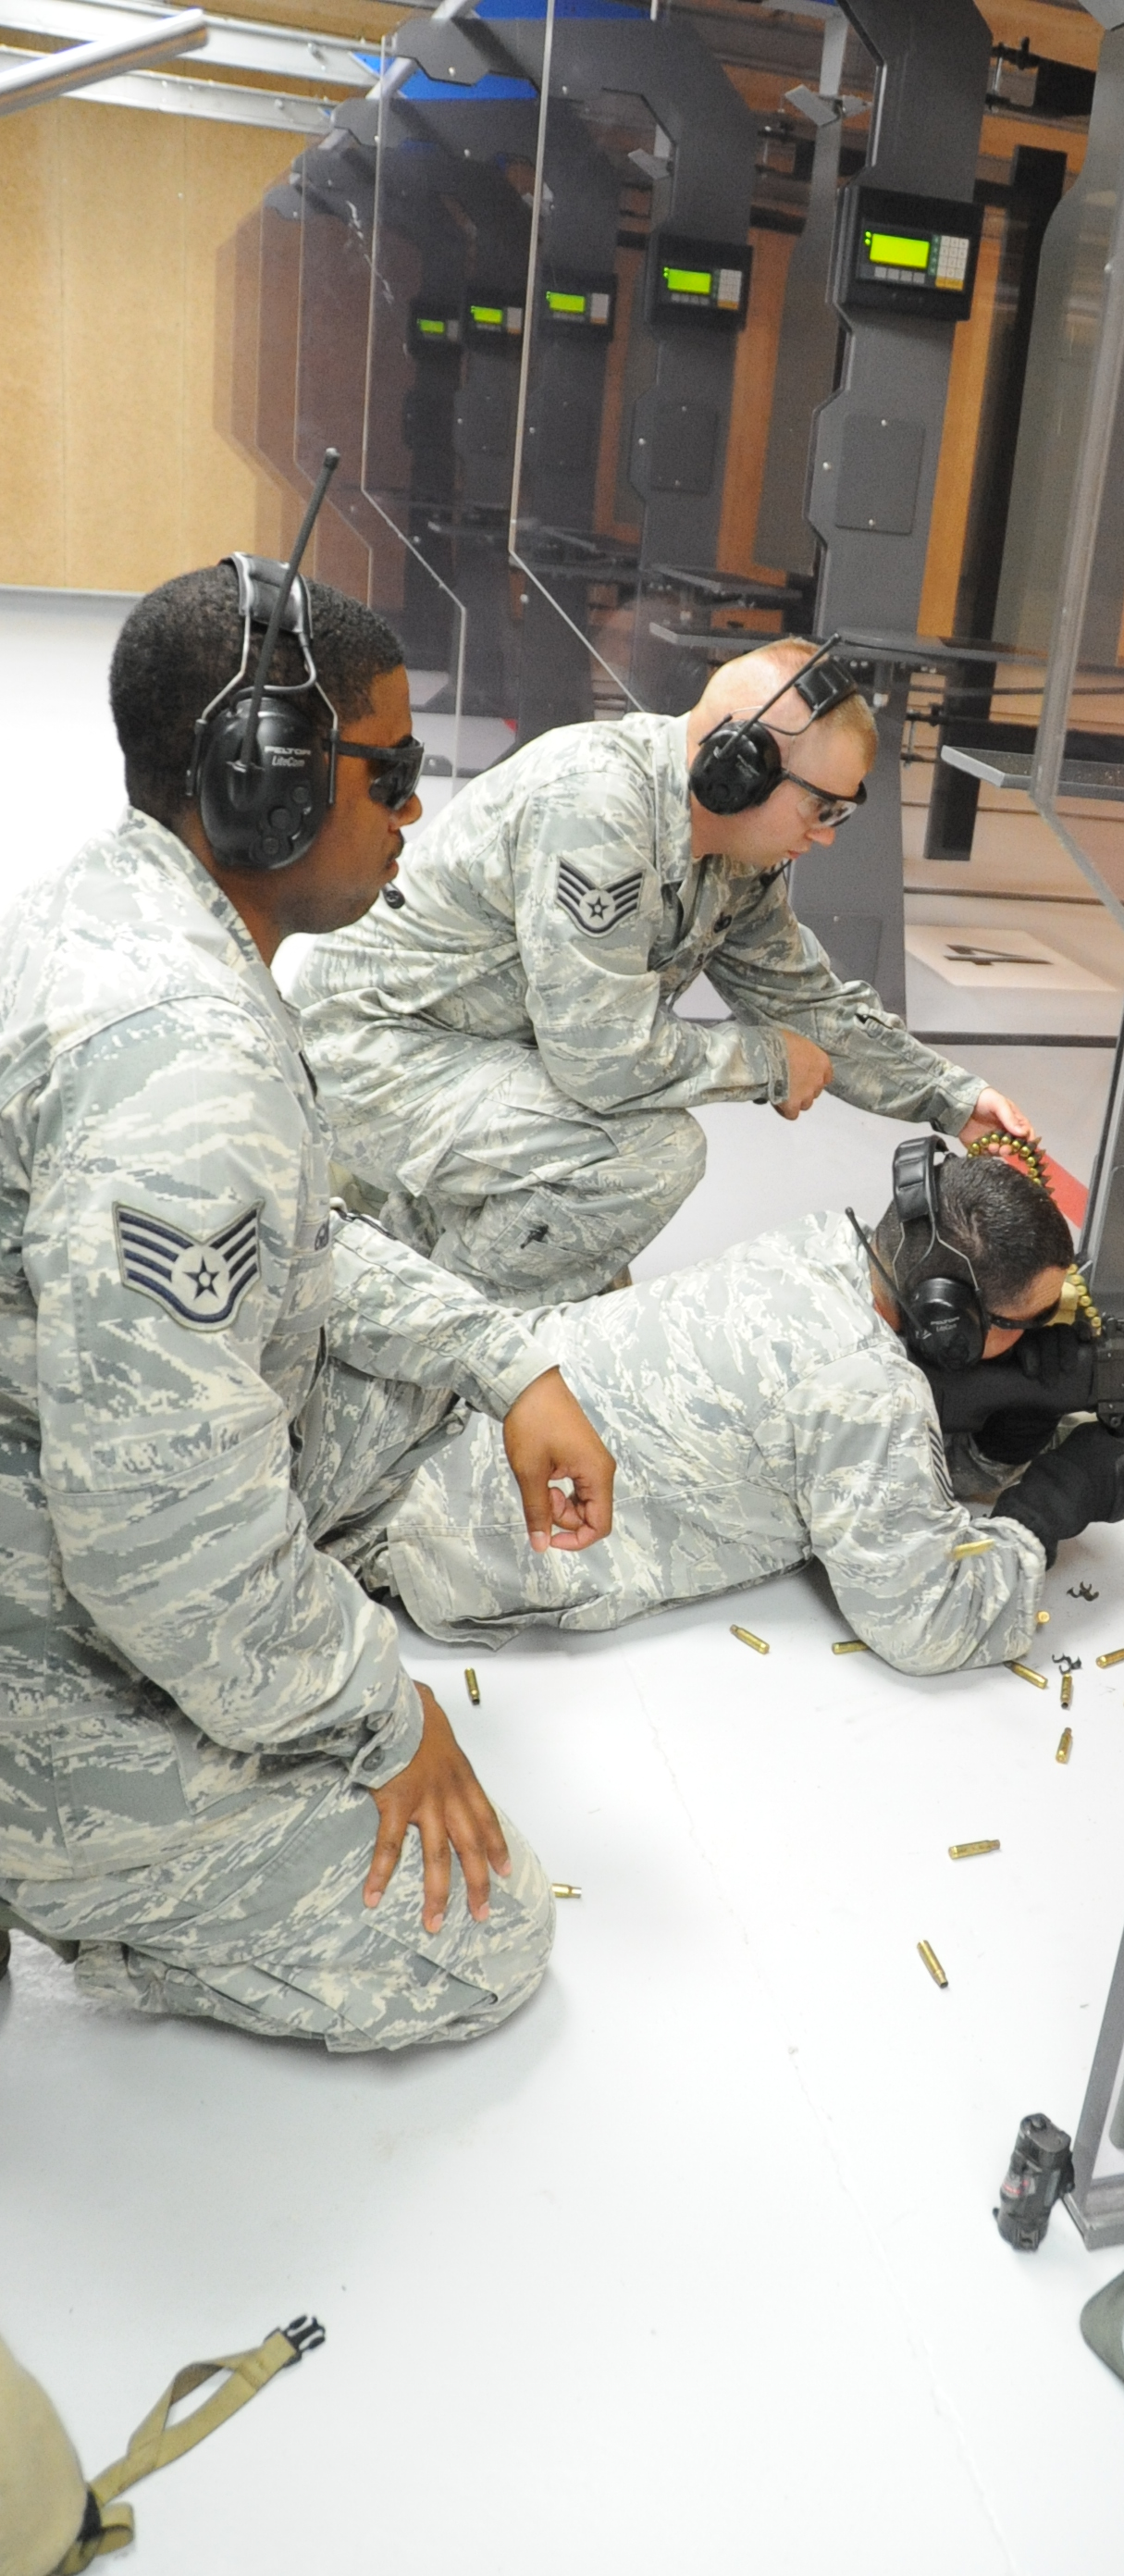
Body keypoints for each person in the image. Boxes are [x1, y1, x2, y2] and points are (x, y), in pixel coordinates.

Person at [0, 557, 616, 2051]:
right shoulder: (188, 1064)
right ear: (261, 780)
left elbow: (299, 1244)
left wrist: (505, 1356)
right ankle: (82, 1891)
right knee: (479, 1933)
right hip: (46, 1634)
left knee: (392, 1390)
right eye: (389, 771)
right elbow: (156, 1539)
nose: (416, 809)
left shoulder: (117, 907)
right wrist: (383, 1711)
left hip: (60, 1478)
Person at [284, 638, 1037, 1304]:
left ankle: (408, 1260)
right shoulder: (597, 807)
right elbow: (602, 1059)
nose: (827, 836)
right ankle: (435, 1353)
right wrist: (769, 1061)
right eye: (822, 808)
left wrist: (954, 1099)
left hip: (474, 1059)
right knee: (642, 1159)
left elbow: (807, 1003)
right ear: (737, 770)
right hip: (368, 1057)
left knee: (583, 1252)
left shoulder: (732, 853)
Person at [366, 1153, 1124, 1674]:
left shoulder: (821, 1244)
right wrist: (1052, 1503)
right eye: (1024, 1328)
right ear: (948, 1319)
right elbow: (927, 1626)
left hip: (424, 1410)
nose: (1040, 1339)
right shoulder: (866, 1391)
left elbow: (837, 1446)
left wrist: (996, 1443)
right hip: (432, 1535)